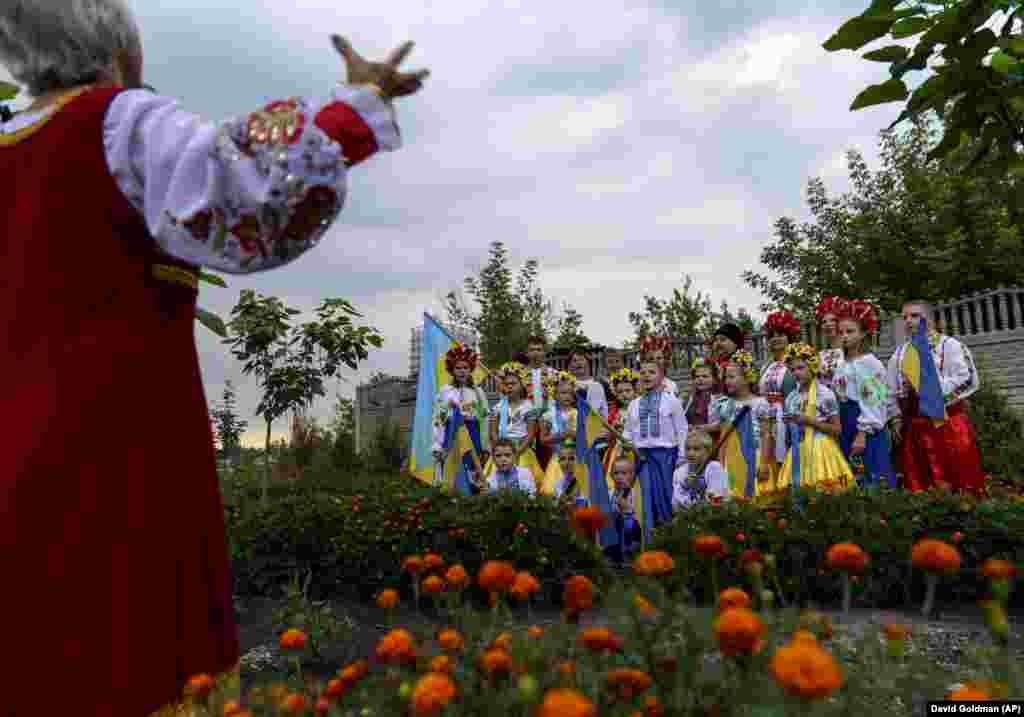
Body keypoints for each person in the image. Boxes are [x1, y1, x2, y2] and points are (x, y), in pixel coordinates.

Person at [0, 1, 429, 713]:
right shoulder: (120, 121)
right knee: (133, 654)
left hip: (13, 476)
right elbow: (251, 189)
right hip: (119, 466)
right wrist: (361, 105)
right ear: (117, 47)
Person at [885, 300, 986, 494]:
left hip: (948, 425)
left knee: (958, 478)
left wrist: (932, 393)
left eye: (914, 315)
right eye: (904, 317)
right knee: (921, 482)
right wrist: (895, 417)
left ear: (930, 318)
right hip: (915, 429)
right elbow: (889, 389)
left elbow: (967, 378)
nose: (908, 320)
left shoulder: (950, 345)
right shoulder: (900, 353)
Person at [832, 300, 898, 490]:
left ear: (863, 333)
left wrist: (862, 434)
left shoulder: (870, 363)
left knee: (871, 474)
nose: (844, 336)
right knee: (849, 478)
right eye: (841, 332)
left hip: (863, 424)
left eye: (850, 331)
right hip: (845, 422)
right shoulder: (841, 364)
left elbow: (874, 401)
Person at [776, 343, 853, 493]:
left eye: (800, 368)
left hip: (821, 450)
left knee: (826, 492)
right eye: (792, 370)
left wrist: (809, 421)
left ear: (812, 366)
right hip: (798, 450)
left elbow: (837, 430)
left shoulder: (824, 394)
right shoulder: (791, 397)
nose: (796, 373)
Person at [622, 359, 687, 533]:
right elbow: (628, 431)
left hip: (666, 457)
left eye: (651, 372)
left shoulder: (671, 401)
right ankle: (650, 534)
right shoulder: (634, 404)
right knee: (646, 496)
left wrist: (682, 456)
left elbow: (682, 430)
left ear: (662, 376)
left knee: (667, 494)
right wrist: (627, 442)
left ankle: (672, 533)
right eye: (642, 373)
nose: (646, 376)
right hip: (642, 458)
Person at [708, 352, 770, 498]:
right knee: (732, 493)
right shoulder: (724, 405)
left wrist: (764, 463)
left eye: (731, 377)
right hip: (731, 458)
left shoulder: (760, 403)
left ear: (746, 378)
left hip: (754, 455)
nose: (727, 381)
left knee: (753, 494)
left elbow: (766, 434)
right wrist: (720, 464)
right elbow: (723, 436)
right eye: (725, 378)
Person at [431, 343, 490, 494]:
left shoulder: (478, 392)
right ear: (452, 370)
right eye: (458, 368)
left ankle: (473, 497)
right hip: (452, 434)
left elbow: (484, 420)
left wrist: (485, 445)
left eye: (465, 367)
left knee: (473, 467)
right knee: (453, 469)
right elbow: (438, 418)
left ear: (471, 369)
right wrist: (437, 443)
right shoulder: (445, 392)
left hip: (472, 433)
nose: (462, 371)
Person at [758, 311, 801, 492]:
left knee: (787, 458)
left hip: (787, 417)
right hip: (766, 419)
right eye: (772, 335)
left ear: (789, 336)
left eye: (781, 334)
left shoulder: (796, 361)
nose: (775, 339)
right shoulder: (765, 366)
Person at [485, 362, 545, 486]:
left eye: (513, 384)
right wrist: (499, 448)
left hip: (521, 450)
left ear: (522, 385)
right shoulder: (497, 407)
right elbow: (492, 432)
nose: (510, 387)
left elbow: (531, 433)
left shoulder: (528, 407)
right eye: (507, 384)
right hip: (501, 450)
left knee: (523, 482)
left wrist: (518, 451)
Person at [539, 372, 578, 495]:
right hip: (558, 460)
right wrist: (563, 435)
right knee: (553, 492)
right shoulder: (549, 415)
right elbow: (543, 439)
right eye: (563, 393)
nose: (567, 396)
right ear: (555, 395)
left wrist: (576, 436)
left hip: (576, 459)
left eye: (570, 393)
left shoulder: (579, 414)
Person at [524, 335, 559, 471]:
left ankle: (548, 481)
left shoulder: (554, 374)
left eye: (539, 349)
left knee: (548, 453)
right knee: (529, 453)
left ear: (544, 352)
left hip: (548, 418)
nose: (535, 353)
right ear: (527, 353)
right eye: (532, 350)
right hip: (527, 419)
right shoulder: (521, 374)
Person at [672, 429, 730, 507]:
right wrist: (684, 487)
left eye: (696, 449)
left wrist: (700, 489)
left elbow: (717, 499)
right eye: (688, 449)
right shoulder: (679, 472)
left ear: (708, 451)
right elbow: (675, 502)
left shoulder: (714, 468)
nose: (691, 453)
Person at [606, 454, 644, 563]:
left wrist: (627, 510)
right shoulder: (609, 494)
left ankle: (630, 556)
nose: (619, 476)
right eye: (616, 473)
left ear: (631, 475)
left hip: (630, 535)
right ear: (611, 475)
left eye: (623, 473)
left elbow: (638, 518)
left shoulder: (635, 494)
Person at [816, 296, 848, 392]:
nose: (828, 324)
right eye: (824, 321)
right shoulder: (820, 355)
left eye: (833, 320)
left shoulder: (852, 352)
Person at [553, 439, 590, 509]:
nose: (566, 463)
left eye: (571, 459)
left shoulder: (585, 481)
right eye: (563, 459)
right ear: (558, 462)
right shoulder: (558, 483)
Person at [684, 357, 719, 428]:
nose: (700, 379)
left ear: (714, 379)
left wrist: (703, 428)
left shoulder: (720, 399)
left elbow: (722, 424)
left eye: (705, 376)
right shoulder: (688, 397)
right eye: (697, 376)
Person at [712, 322, 745, 393]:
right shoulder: (715, 363)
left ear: (735, 343)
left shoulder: (743, 362)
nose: (718, 343)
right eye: (715, 340)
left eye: (723, 340)